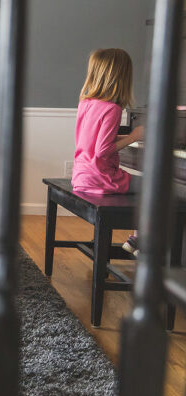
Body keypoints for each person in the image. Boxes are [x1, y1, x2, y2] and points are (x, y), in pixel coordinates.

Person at [71, 48, 144, 254]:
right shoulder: (113, 109)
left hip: (82, 176)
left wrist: (128, 138)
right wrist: (134, 137)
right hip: (102, 178)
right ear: (122, 77)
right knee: (154, 189)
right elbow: (103, 151)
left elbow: (94, 142)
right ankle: (138, 240)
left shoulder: (86, 104)